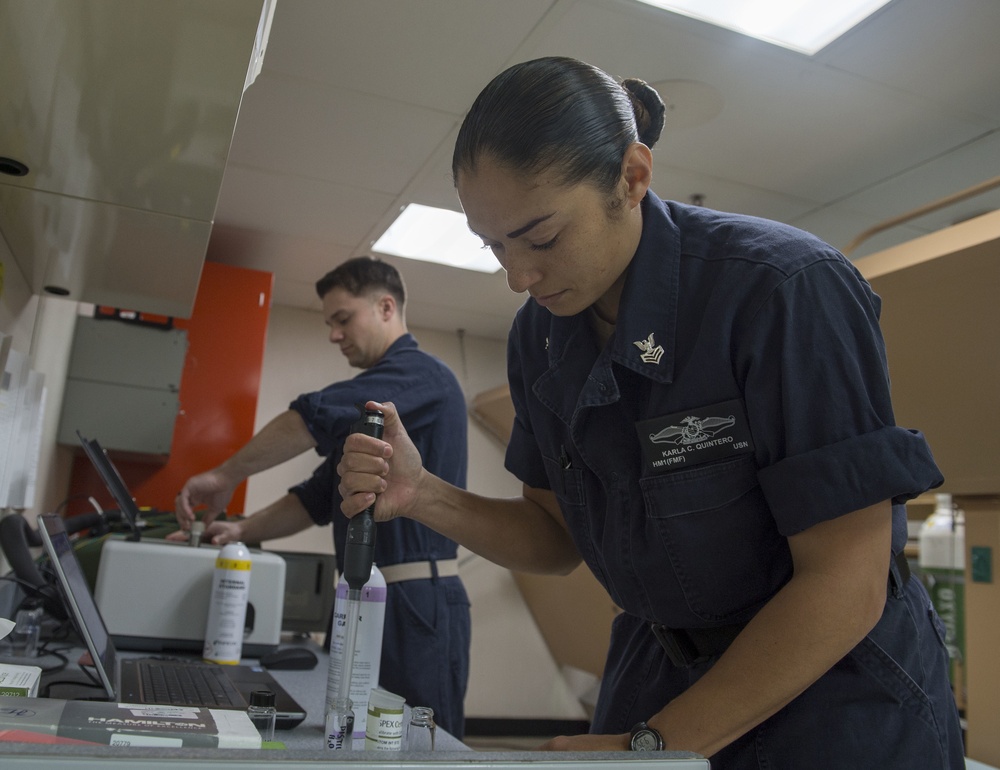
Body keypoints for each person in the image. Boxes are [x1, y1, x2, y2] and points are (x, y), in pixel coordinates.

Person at [336, 57, 964, 767]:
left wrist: (659, 744)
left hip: (831, 690)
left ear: (632, 178)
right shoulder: (539, 336)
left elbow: (845, 584)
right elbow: (553, 536)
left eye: (541, 237)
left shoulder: (783, 290)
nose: (519, 275)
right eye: (494, 246)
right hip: (657, 663)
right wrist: (425, 496)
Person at [172, 256, 470, 738]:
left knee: (418, 750)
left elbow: (312, 415)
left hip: (413, 601)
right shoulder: (378, 409)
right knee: (344, 738)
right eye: (329, 323)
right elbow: (315, 498)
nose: (334, 334)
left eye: (343, 319)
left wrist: (223, 475)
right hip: (363, 593)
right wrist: (240, 531)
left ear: (386, 307)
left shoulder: (421, 377)